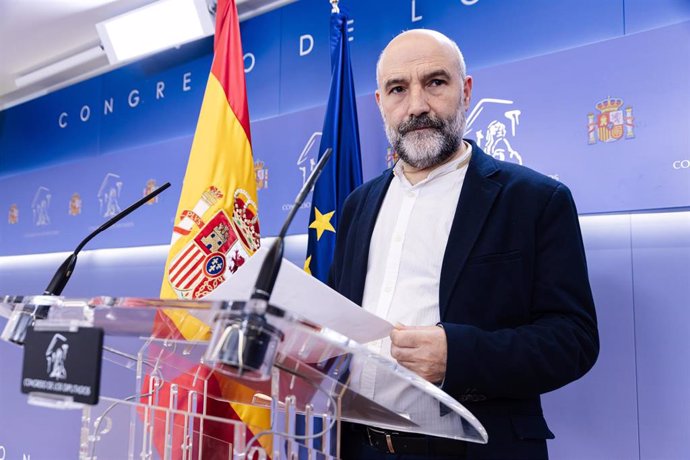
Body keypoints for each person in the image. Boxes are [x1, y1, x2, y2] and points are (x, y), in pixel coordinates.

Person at [328, 29, 599, 459]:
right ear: (380, 104)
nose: (416, 105)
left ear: (466, 90)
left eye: (435, 82)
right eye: (397, 89)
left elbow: (573, 341)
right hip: (361, 448)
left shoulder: (535, 200)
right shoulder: (358, 205)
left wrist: (460, 353)